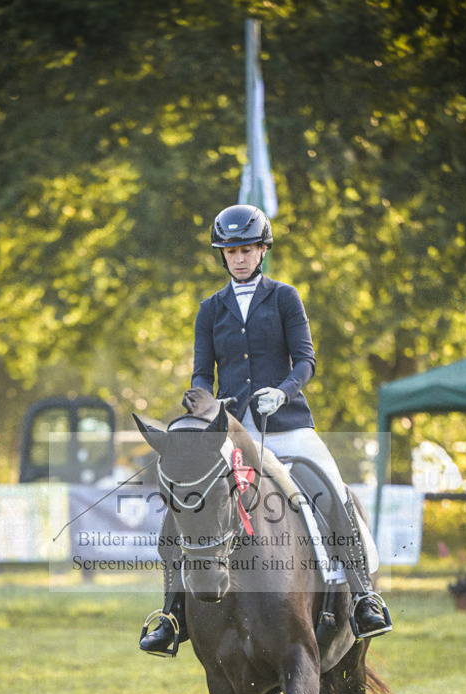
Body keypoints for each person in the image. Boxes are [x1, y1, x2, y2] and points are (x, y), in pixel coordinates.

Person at [140, 203, 391, 655]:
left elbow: (306, 359)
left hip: (288, 424)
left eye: (247, 249)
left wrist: (285, 391)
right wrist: (204, 401)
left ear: (262, 250)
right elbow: (202, 372)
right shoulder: (209, 309)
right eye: (231, 250)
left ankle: (364, 598)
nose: (239, 257)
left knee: (332, 490)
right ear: (223, 255)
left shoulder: (284, 297)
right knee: (181, 508)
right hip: (232, 432)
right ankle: (170, 616)